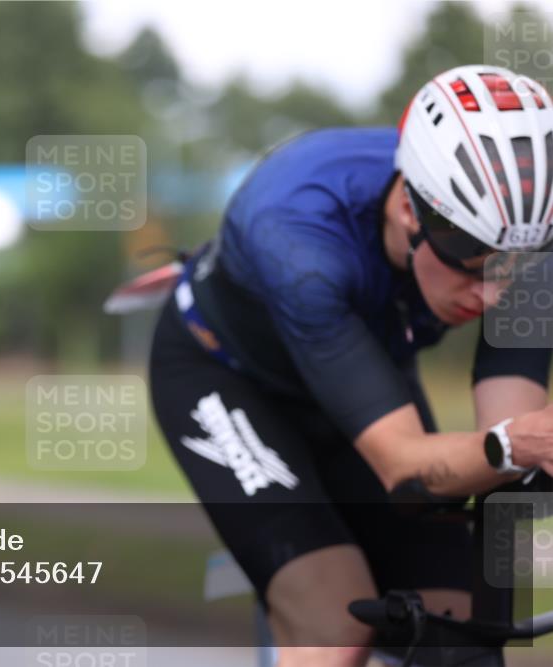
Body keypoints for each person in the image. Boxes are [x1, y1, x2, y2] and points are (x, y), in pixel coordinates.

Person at [148, 65, 553, 667]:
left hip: (364, 373)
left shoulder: (518, 233)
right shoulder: (297, 238)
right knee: (333, 621)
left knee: (453, 633)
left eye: (514, 270)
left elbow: (512, 443)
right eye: (472, 263)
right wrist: (516, 446)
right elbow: (408, 463)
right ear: (414, 212)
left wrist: (525, 452)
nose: (494, 296)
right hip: (228, 378)